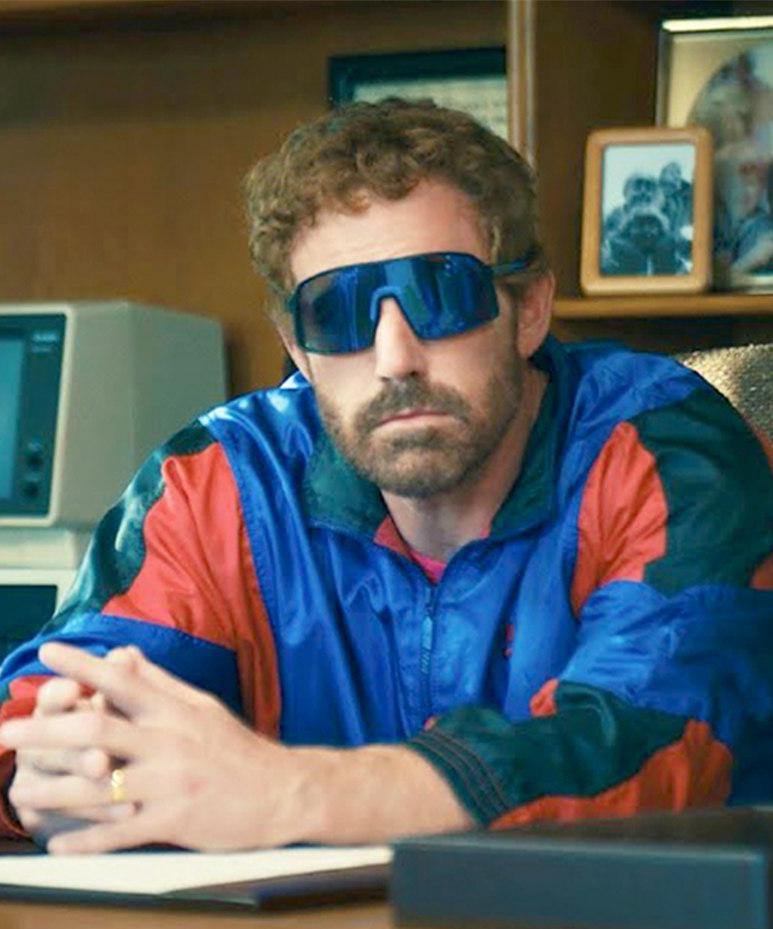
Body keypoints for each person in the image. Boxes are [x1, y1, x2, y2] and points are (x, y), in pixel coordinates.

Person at [0, 99, 771, 856]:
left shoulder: (665, 447)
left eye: (441, 293)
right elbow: (35, 718)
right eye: (337, 312)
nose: (394, 357)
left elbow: (649, 737)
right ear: (297, 348)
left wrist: (288, 791)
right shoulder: (226, 479)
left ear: (529, 309)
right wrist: (48, 772)